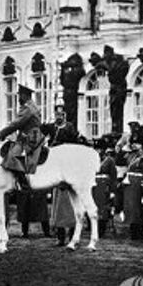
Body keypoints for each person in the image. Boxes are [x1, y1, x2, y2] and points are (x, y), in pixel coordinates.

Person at [44, 103, 80, 246]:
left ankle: (72, 235)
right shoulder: (52, 128)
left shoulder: (69, 127)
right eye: (57, 114)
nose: (58, 117)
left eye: (61, 114)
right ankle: (60, 236)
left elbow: (75, 143)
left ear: (65, 115)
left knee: (70, 205)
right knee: (58, 205)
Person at [0, 84, 44, 190]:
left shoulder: (28, 108)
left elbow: (16, 123)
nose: (18, 99)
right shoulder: (31, 106)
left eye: (20, 96)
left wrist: (2, 133)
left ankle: (23, 184)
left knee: (12, 156)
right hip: (29, 136)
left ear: (25, 96)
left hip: (31, 138)